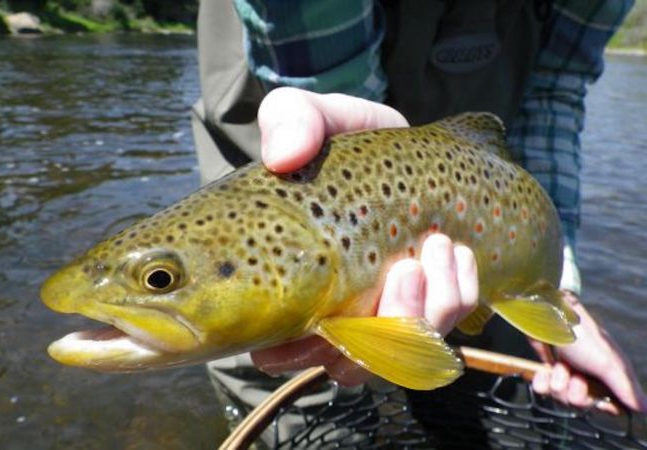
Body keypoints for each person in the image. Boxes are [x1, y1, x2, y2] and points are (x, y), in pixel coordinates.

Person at [190, 0, 647, 437]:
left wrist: (560, 288)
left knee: (480, 367)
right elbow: (332, 123)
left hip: (472, 185)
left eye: (159, 279)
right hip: (302, 110)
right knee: (297, 373)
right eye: (161, 278)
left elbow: (552, 92)